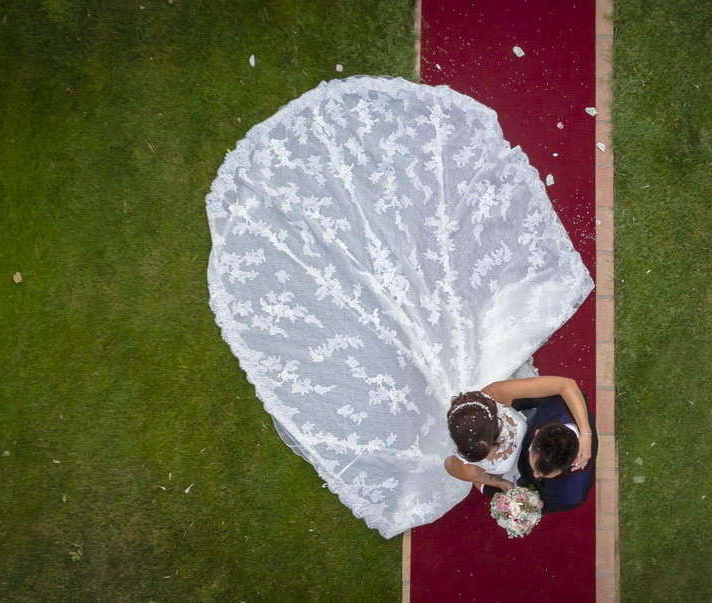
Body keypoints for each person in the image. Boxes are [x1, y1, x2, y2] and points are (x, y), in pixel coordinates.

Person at [205, 76, 594, 538]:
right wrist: (510, 484)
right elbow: (480, 470)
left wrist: (500, 483)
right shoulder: (494, 406)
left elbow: (472, 471)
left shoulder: (494, 397)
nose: (528, 462)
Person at [444, 377, 592, 496]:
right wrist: (501, 483)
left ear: (498, 432)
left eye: (493, 450)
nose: (493, 455)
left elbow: (565, 384)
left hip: (539, 432)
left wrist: (586, 433)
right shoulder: (467, 468)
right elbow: (467, 473)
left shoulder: (495, 394)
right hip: (520, 469)